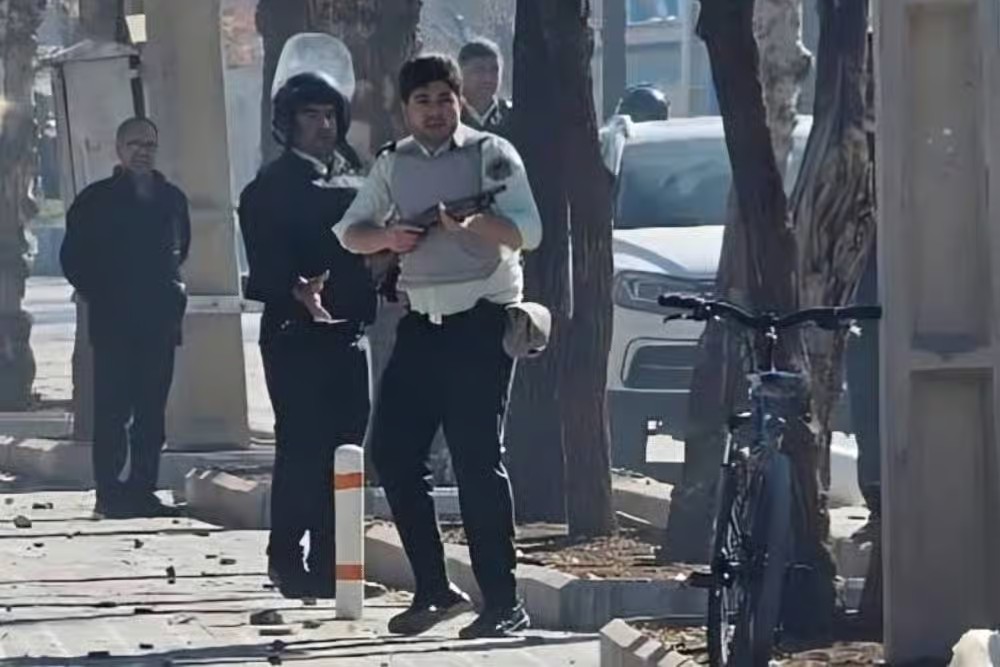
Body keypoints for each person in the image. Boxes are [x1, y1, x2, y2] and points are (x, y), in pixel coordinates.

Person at [334, 54, 542, 638]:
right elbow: (351, 232)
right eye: (422, 101)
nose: (434, 111)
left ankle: (503, 603)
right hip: (421, 325)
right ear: (405, 109)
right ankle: (434, 589)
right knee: (394, 453)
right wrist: (389, 236)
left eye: (444, 99)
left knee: (476, 461)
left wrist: (471, 225)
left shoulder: (491, 154)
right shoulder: (392, 162)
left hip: (482, 323)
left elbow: (529, 230)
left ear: (459, 101)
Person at [238, 71, 376, 598]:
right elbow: (265, 266)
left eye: (330, 115)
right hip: (295, 336)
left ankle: (333, 562)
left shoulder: (355, 182)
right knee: (302, 449)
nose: (323, 125)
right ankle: (286, 558)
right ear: (288, 123)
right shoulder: (269, 188)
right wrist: (296, 289)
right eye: (310, 115)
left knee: (347, 449)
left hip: (349, 334)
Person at [60, 117, 189, 519]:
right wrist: (102, 292)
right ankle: (110, 492)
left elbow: (180, 249)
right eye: (134, 144)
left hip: (160, 321)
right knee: (113, 411)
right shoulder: (95, 200)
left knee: (151, 411)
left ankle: (143, 490)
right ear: (119, 150)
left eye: (149, 144)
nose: (142, 152)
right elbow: (73, 258)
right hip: (113, 322)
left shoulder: (171, 199)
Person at [458, 38, 512, 134]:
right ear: (460, 73)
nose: (488, 78)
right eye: (479, 70)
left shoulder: (512, 115)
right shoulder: (448, 115)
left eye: (494, 70)